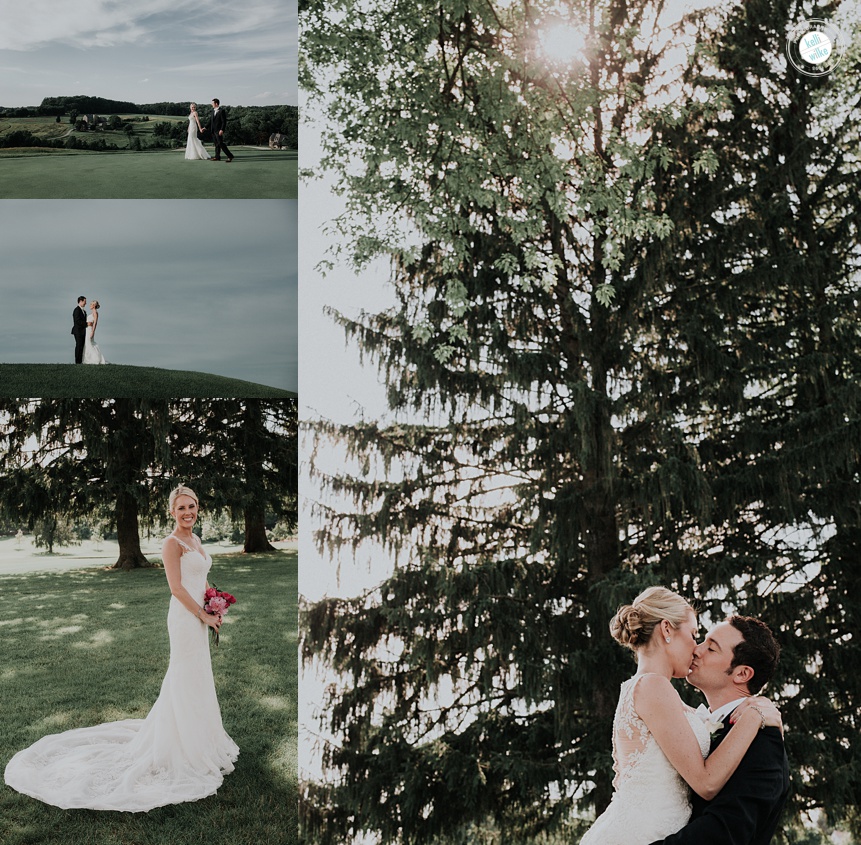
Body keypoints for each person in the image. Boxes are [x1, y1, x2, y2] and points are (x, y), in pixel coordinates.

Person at [3, 485, 239, 811]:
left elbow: (202, 580)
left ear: (198, 508)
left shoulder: (196, 540)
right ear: (172, 512)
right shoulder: (171, 544)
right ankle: (179, 746)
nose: (188, 512)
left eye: (193, 506)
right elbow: (176, 588)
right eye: (182, 508)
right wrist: (202, 613)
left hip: (200, 617)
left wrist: (215, 604)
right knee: (184, 677)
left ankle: (200, 739)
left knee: (198, 677)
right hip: (184, 619)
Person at [580, 587, 782, 845]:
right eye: (695, 634)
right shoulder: (653, 686)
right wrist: (755, 714)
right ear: (666, 630)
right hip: (640, 836)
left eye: (707, 644)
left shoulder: (653, 689)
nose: (696, 648)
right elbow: (706, 783)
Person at [647, 616, 790, 845]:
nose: (696, 650)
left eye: (711, 648)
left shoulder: (764, 743)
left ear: (742, 674)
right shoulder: (690, 722)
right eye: (702, 640)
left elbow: (722, 834)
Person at [82, 299, 107, 364]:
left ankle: (95, 359)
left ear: (93, 305)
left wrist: (93, 331)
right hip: (86, 329)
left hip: (90, 329)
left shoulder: (95, 313)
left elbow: (95, 323)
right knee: (87, 343)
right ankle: (87, 358)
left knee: (90, 343)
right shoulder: (91, 313)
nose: (89, 305)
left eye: (91, 304)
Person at [71, 295, 88, 364]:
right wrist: (87, 324)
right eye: (84, 302)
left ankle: (80, 361)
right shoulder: (77, 310)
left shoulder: (84, 311)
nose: (85, 303)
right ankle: (77, 362)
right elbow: (77, 321)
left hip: (83, 332)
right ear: (80, 301)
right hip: (78, 331)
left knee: (81, 346)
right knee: (79, 345)